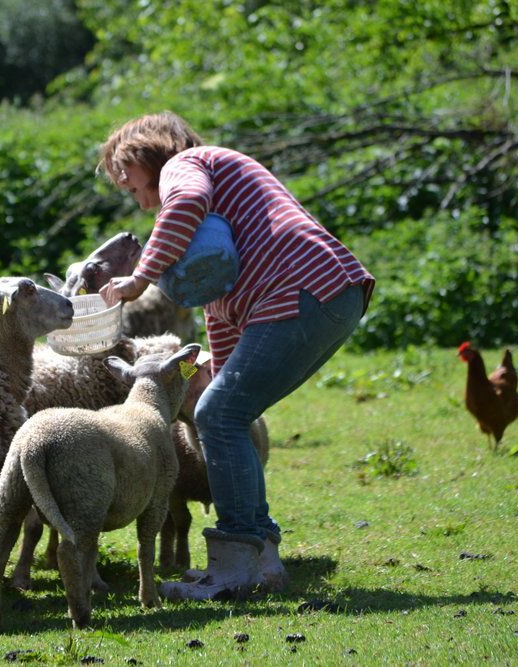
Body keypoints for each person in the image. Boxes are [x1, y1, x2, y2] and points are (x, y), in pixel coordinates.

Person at [98, 111, 375, 600]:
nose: (142, 203)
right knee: (225, 410)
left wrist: (140, 279)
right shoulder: (212, 243)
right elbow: (221, 321)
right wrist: (212, 380)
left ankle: (236, 568)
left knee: (220, 414)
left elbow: (183, 202)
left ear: (142, 156)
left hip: (301, 290)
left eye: (134, 187)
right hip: (326, 292)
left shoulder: (186, 165)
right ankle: (262, 560)